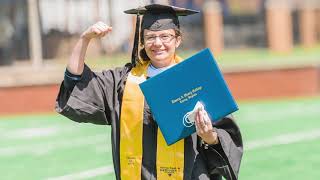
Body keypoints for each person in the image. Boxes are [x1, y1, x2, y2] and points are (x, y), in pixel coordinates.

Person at [55, 4, 243, 180]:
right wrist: (84, 39)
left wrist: (209, 135)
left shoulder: (196, 79)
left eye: (165, 36)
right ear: (142, 42)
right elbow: (75, 81)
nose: (158, 43)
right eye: (150, 37)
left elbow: (224, 137)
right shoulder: (123, 81)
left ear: (178, 39)